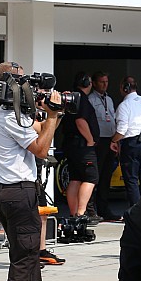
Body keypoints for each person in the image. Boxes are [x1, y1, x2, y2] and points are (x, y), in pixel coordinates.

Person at [0, 61, 62, 281]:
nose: (28, 87)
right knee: (22, 261)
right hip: (18, 192)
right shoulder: (8, 115)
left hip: (5, 192)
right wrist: (53, 117)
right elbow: (41, 149)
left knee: (30, 258)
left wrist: (45, 111)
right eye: (23, 83)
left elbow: (35, 126)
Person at [111, 76, 141, 206]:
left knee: (131, 179)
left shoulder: (124, 106)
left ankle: (136, 211)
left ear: (124, 88)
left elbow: (121, 130)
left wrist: (113, 141)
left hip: (131, 143)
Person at [60, 72, 99, 220]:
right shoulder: (81, 99)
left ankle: (73, 213)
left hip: (71, 145)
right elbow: (80, 121)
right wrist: (90, 140)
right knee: (91, 178)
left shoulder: (71, 99)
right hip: (83, 147)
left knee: (75, 179)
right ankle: (81, 214)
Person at [88, 71, 120, 221]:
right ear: (94, 83)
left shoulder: (109, 99)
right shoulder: (91, 99)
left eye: (106, 81)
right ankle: (90, 208)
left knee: (106, 176)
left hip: (110, 140)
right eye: (101, 82)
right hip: (98, 140)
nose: (104, 85)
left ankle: (104, 208)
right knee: (95, 175)